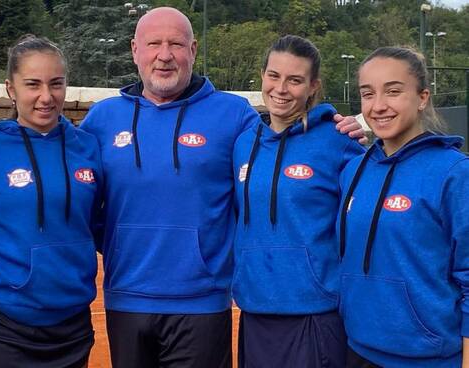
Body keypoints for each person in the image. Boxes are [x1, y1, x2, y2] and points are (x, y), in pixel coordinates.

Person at [80, 7, 366, 367]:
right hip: (125, 299)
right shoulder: (101, 119)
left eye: (176, 44)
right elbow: (72, 192)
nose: (164, 55)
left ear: (194, 49)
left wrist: (336, 126)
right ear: (135, 49)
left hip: (204, 302)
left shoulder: (236, 116)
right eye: (154, 43)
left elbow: (283, 143)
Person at [0, 34, 103, 368]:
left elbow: (96, 217)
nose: (46, 97)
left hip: (71, 327)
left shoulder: (88, 148)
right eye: (33, 84)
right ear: (10, 89)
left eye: (56, 84)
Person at [232, 35, 364, 368]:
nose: (281, 88)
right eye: (274, 76)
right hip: (255, 309)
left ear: (313, 86)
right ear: (262, 75)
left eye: (295, 80)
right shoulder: (244, 144)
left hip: (315, 313)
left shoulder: (340, 142)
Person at [338, 46, 468, 367]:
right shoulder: (354, 170)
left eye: (393, 91)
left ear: (423, 97)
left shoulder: (454, 173)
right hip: (357, 348)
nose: (378, 106)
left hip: (427, 358)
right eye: (368, 94)